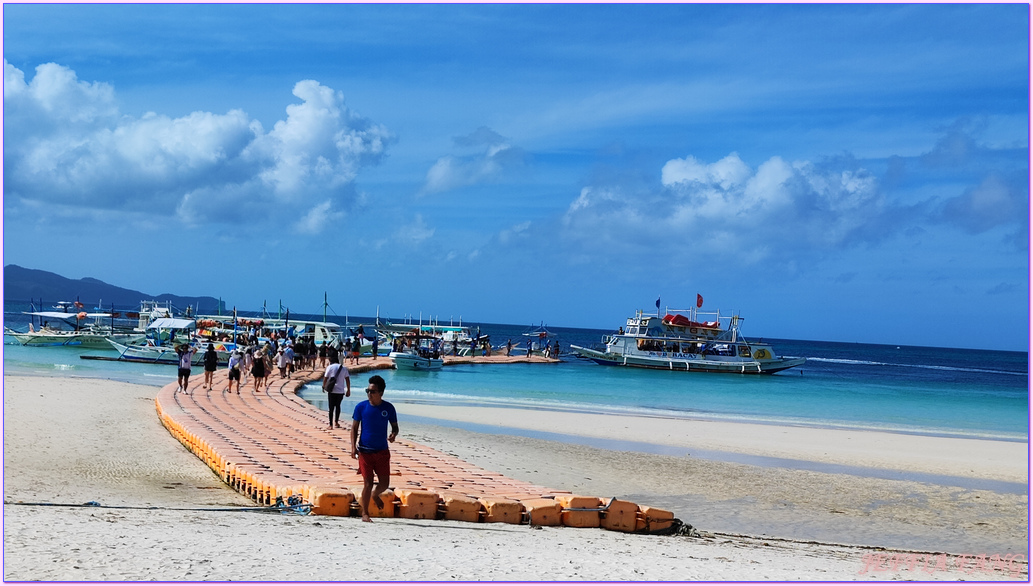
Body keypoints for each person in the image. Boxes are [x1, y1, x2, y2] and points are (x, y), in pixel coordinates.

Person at [350, 375, 398, 523]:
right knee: (368, 484)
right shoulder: (361, 407)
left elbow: (395, 427)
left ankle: (375, 495)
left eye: (373, 392)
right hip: (365, 451)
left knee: (384, 484)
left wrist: (393, 434)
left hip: (382, 451)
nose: (369, 394)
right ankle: (365, 513)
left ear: (381, 393)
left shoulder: (388, 408)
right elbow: (354, 428)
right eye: (368, 391)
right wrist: (353, 447)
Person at [322, 355, 351, 430]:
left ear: (331, 361)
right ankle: (336, 422)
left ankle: (330, 425)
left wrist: (323, 386)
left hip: (331, 390)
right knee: (338, 406)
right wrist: (348, 390)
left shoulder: (329, 367)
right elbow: (347, 379)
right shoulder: (344, 368)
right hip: (340, 391)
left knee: (331, 408)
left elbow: (325, 378)